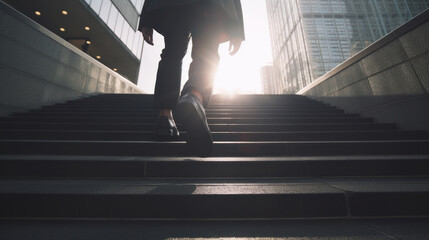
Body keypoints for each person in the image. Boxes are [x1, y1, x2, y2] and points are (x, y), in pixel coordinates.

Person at [139, 0, 245, 156]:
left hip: (173, 6)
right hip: (211, 4)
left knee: (172, 54)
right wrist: (238, 28)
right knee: (206, 52)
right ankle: (194, 96)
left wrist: (146, 19)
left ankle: (165, 117)